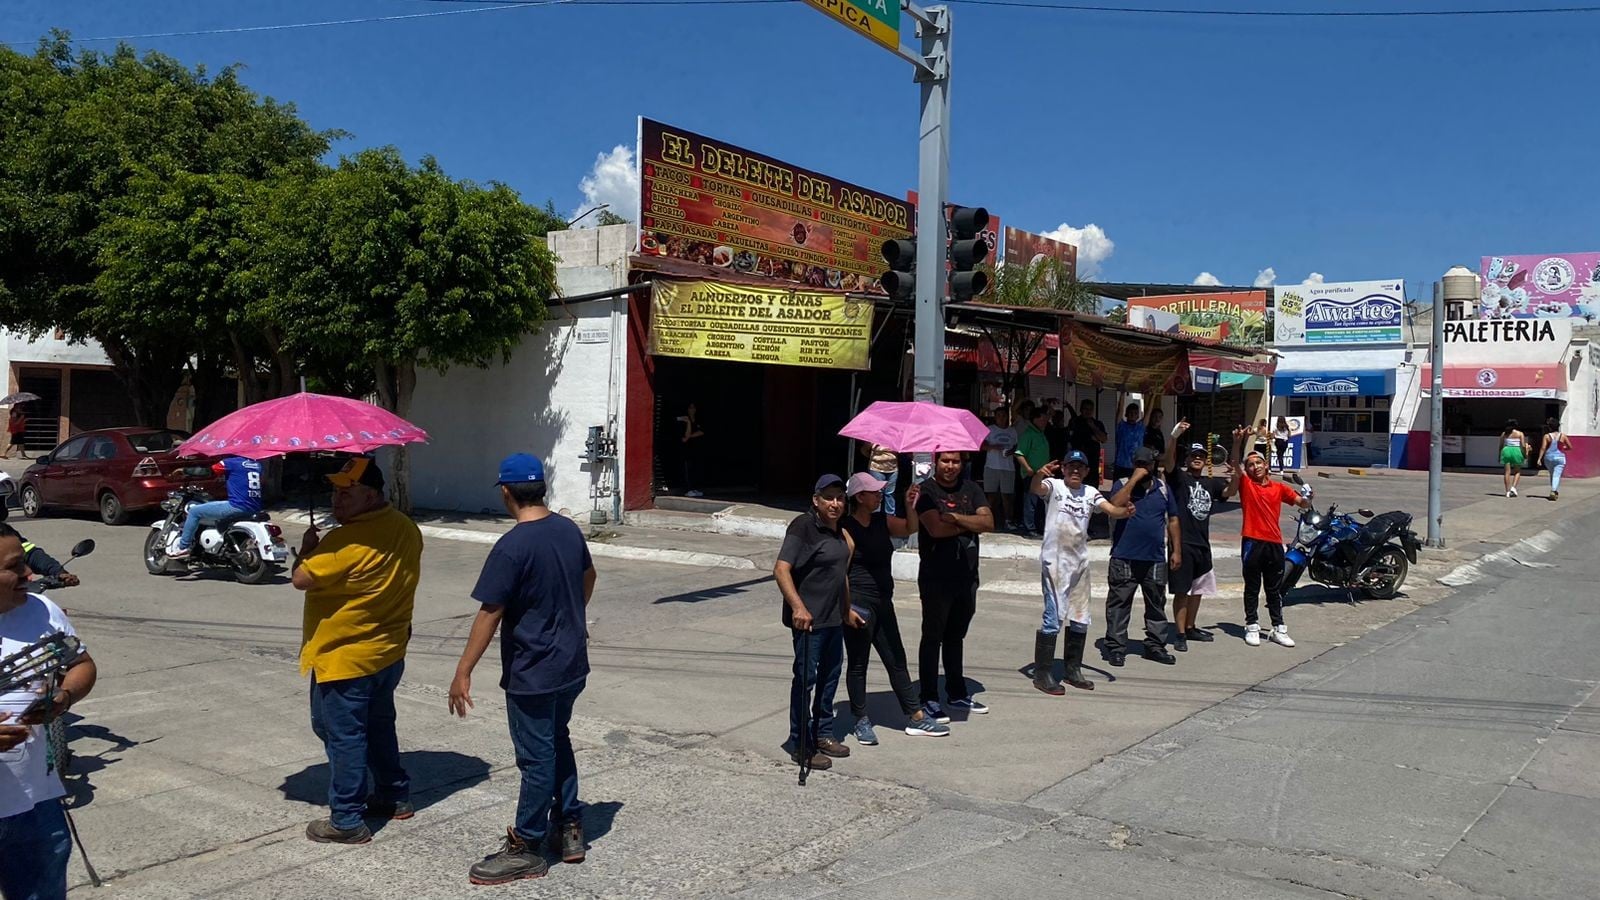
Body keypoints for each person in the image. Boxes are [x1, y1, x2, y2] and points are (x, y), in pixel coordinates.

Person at [450, 454, 597, 885]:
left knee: (536, 758)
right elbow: (589, 576)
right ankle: (569, 827)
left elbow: (490, 613)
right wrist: (571, 618)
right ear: (542, 487)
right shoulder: (567, 529)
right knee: (557, 740)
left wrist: (463, 670)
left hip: (534, 671)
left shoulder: (512, 547)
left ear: (506, 492)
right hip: (571, 664)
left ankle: (528, 846)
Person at [291, 456, 423, 844]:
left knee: (341, 734)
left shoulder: (344, 542)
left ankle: (347, 819)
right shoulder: (405, 527)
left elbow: (301, 578)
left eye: (347, 493)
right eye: (334, 492)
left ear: (371, 495)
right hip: (388, 651)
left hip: (345, 657)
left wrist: (307, 549)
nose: (336, 500)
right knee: (379, 725)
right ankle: (394, 794)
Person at [0, 531, 97, 900]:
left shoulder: (42, 610)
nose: (28, 574)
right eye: (14, 567)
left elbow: (81, 664)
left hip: (35, 802)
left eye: (25, 563)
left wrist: (64, 696)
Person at [840, 474, 950, 742]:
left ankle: (916, 716)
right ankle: (860, 720)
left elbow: (909, 528)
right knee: (858, 664)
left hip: (883, 602)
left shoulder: (882, 520)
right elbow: (840, 572)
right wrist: (846, 609)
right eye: (874, 492)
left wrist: (910, 505)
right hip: (859, 604)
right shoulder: (846, 528)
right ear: (859, 497)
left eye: (880, 491)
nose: (880, 495)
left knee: (897, 660)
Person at [1030, 450, 1132, 694]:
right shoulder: (1054, 486)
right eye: (1070, 466)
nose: (1075, 471)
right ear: (1063, 468)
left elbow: (1110, 509)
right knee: (1053, 617)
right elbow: (1036, 489)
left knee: (1080, 617)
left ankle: (1072, 669)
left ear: (1086, 471)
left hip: (1079, 564)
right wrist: (1038, 474)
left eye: (1080, 467)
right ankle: (1042, 674)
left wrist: (1125, 512)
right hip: (1055, 563)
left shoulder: (1090, 492)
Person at [775, 474, 858, 772]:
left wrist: (847, 609)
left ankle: (823, 733)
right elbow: (781, 569)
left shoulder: (840, 532)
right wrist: (798, 607)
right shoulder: (803, 527)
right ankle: (800, 743)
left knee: (830, 678)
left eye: (840, 498)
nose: (835, 503)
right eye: (828, 498)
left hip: (833, 620)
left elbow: (840, 575)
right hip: (809, 622)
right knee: (805, 681)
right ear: (816, 500)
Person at [914, 451, 995, 720]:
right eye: (945, 460)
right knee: (932, 637)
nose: (950, 466)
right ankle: (928, 697)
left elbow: (988, 522)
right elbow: (936, 529)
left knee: (955, 637)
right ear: (936, 461)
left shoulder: (971, 489)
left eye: (956, 461)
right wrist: (971, 523)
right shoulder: (925, 492)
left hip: (967, 577)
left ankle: (957, 693)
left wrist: (957, 518)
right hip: (936, 577)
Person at [1230, 429, 1313, 648]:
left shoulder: (1279, 488)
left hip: (1274, 544)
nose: (1255, 467)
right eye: (1250, 464)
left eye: (1258, 463)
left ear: (1266, 465)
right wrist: (1237, 443)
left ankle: (1278, 627)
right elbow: (1235, 464)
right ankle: (1252, 625)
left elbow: (1302, 503)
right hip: (1252, 542)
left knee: (1274, 589)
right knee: (1252, 587)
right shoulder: (1246, 485)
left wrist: (1308, 496)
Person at [1102, 447, 1180, 668]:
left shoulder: (1163, 488)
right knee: (1119, 604)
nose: (1144, 468)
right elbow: (1114, 505)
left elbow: (1173, 519)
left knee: (1156, 603)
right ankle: (1116, 647)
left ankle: (1155, 645)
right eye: (1140, 464)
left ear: (1154, 465)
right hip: (1124, 556)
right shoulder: (1122, 484)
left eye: (1147, 465)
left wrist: (1176, 550)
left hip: (1154, 557)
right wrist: (1134, 480)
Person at [1164, 424, 1235, 651]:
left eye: (1201, 456)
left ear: (1206, 460)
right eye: (1193, 455)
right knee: (1181, 591)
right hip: (1182, 543)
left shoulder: (1211, 483)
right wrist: (1174, 437)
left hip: (1202, 544)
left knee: (1198, 590)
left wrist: (1237, 474)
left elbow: (1230, 492)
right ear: (1186, 459)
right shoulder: (1179, 478)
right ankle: (1180, 633)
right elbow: (1167, 462)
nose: (1197, 459)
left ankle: (1191, 626)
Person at [168, 454, 264, 558]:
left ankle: (183, 547)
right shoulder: (257, 465)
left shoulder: (230, 462)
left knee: (194, 512)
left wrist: (184, 470)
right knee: (221, 522)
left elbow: (207, 472)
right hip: (254, 507)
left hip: (236, 506)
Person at [1015, 407, 1052, 536]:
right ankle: (1029, 528)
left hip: (1043, 474)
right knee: (1031, 501)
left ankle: (1038, 526)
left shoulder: (1041, 433)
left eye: (1046, 419)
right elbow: (1019, 454)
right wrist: (1028, 468)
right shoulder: (1028, 434)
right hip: (1031, 474)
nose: (1045, 422)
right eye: (1042, 419)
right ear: (1035, 419)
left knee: (1041, 502)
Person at [981, 408, 1019, 531]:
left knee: (1007, 496)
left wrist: (1011, 451)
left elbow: (1017, 446)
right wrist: (993, 447)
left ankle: (1008, 521)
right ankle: (988, 520)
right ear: (995, 417)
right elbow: (982, 446)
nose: (1001, 418)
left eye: (1003, 415)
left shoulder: (1012, 431)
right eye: (999, 415)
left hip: (1008, 467)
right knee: (991, 496)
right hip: (992, 466)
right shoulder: (990, 429)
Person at [1066, 399, 1108, 487]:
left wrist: (1093, 427)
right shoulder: (1075, 421)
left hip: (1092, 463)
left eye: (1090, 409)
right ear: (1081, 409)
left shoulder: (1097, 423)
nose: (1088, 411)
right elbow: (1069, 438)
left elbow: (1104, 439)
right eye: (1085, 409)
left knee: (1092, 488)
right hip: (1077, 461)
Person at [860, 442, 901, 516]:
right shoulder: (874, 438)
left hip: (892, 469)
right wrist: (873, 458)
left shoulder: (895, 439)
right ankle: (875, 514)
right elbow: (864, 450)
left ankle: (890, 515)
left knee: (890, 493)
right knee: (877, 492)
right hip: (876, 469)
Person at [1538, 417, 1572, 501]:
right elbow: (1570, 447)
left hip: (1548, 457)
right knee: (1557, 475)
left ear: (1550, 427)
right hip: (1560, 457)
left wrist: (1539, 458)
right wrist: (1564, 448)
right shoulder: (1563, 436)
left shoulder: (1547, 436)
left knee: (1552, 474)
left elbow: (1543, 448)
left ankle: (1554, 490)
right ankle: (1553, 490)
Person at [678, 403, 706, 498]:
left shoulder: (699, 420)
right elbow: (685, 437)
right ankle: (688, 489)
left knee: (696, 469)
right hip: (686, 450)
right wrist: (689, 423)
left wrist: (689, 436)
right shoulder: (683, 421)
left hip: (696, 449)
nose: (692, 409)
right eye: (690, 407)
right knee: (687, 469)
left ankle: (694, 488)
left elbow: (701, 432)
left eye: (694, 407)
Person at [1113, 403, 1146, 481]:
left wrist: (1153, 397)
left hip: (1136, 466)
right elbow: (1119, 411)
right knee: (1118, 487)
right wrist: (1122, 396)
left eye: (1135, 413)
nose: (1132, 415)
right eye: (1130, 412)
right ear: (1126, 414)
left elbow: (1148, 413)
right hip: (1121, 465)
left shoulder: (1140, 427)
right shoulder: (1121, 426)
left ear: (1138, 416)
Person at [1501, 419, 1528, 498]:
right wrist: (1525, 453)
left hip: (1506, 450)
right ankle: (1513, 487)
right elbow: (1523, 445)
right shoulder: (1520, 433)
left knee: (1507, 472)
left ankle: (1507, 491)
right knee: (1517, 471)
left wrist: (1499, 455)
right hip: (1516, 450)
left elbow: (1501, 445)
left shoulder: (1504, 434)